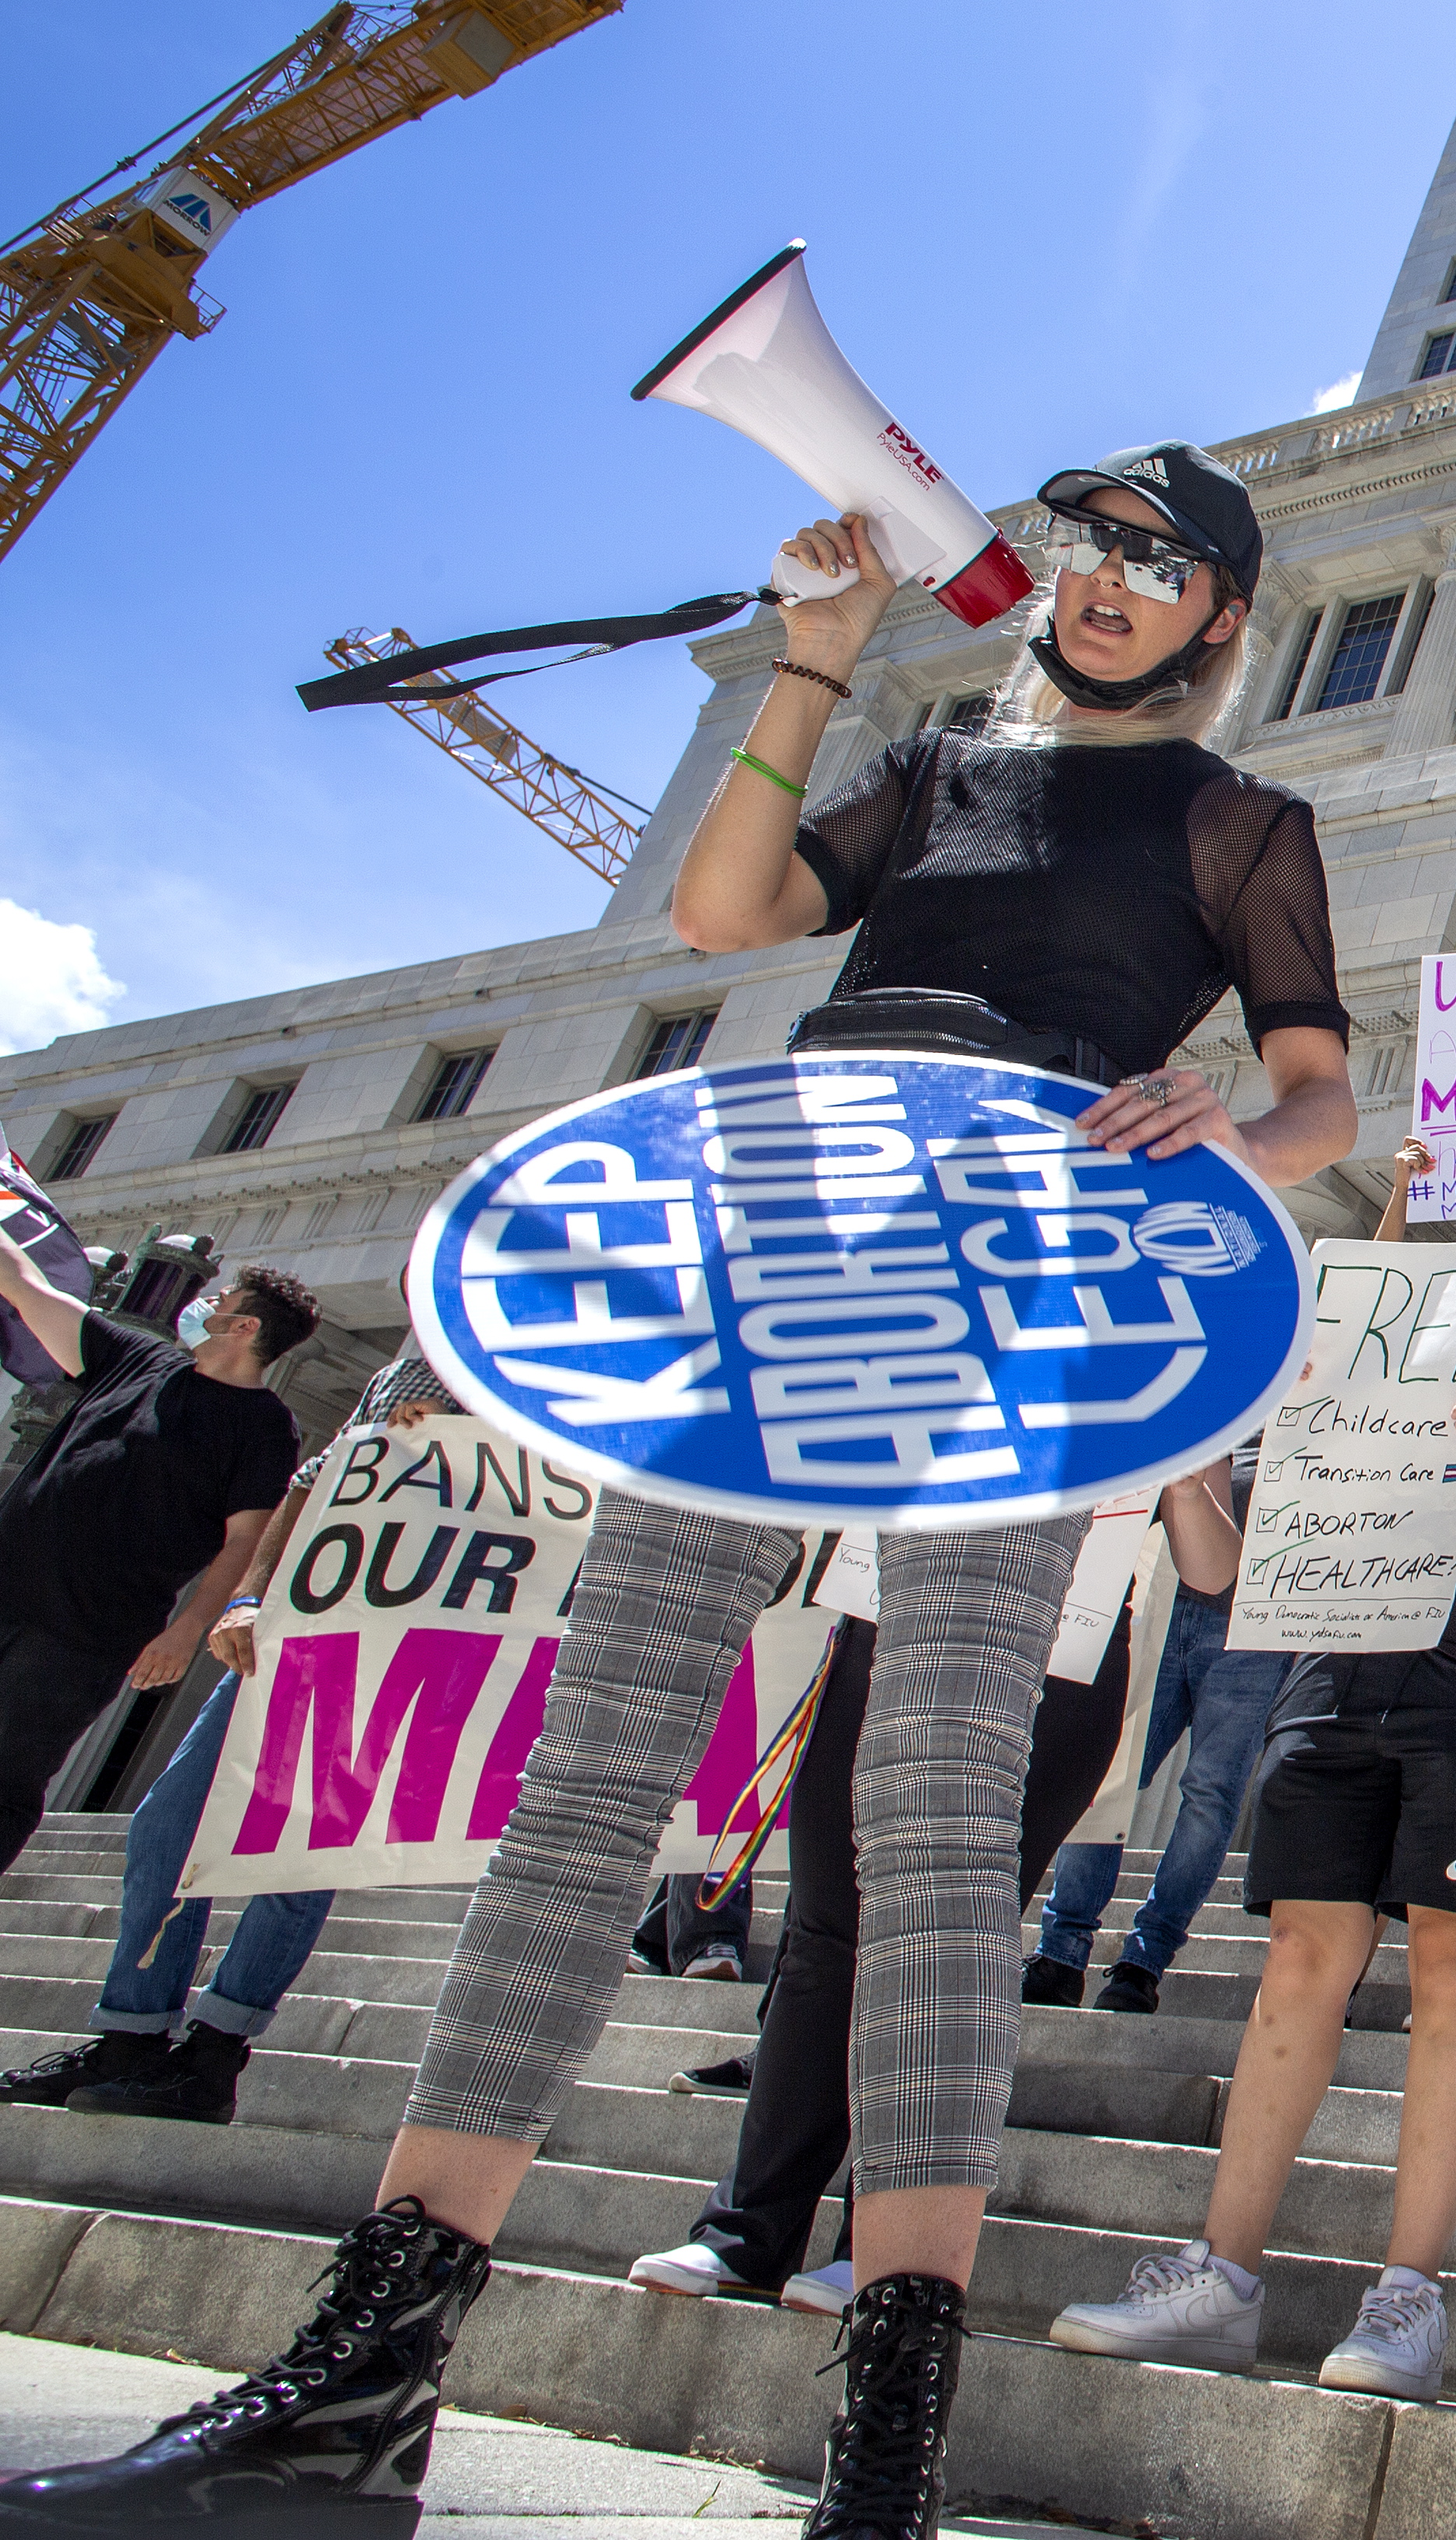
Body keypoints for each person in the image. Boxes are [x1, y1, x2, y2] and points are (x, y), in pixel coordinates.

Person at [2, 440, 1356, 2540]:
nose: (1108, 579)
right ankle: (367, 2377)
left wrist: (1232, 1131)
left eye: (1161, 560)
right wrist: (807, 668)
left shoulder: (1242, 819)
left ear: (1222, 616)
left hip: (1022, 1277)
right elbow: (728, 915)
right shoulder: (929, 761)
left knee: (930, 1813)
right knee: (594, 1763)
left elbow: (1319, 1088)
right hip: (795, 1233)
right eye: (1090, 545)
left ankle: (885, 2442)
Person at [1044, 1088, 1456, 2402]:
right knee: (1298, 1957)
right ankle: (1220, 2273)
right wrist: (1189, 1459)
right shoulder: (1390, 1314)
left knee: (1451, 1963)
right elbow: (1229, 1557)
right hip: (1336, 1660)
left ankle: (1408, 2296)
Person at [629, 1469, 1232, 2315]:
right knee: (825, 1934)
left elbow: (1214, 1572)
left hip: (1059, 1665)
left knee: (945, 1952)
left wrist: (1177, 1472)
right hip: (889, 1620)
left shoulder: (1170, 1374)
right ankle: (742, 2235)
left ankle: (875, 2250)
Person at [0, 1347, 445, 2126]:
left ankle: (214, 2055)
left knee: (305, 1848)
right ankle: (131, 2037)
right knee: (170, 1823)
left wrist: (462, 1449)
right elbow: (310, 1485)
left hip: (408, 1637)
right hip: (302, 1618)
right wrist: (246, 1598)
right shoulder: (411, 1360)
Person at [0, 1256, 312, 1880]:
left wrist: (189, 1626)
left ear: (242, 1325)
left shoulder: (264, 1429)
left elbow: (246, 1540)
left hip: (81, 1636)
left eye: (220, 1297)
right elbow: (25, 1286)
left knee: (5, 1775)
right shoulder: (135, 1358)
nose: (202, 1302)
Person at [1026, 1451, 1265, 2014]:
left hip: (1262, 1612)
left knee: (1210, 1795)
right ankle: (1060, 1951)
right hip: (1165, 1581)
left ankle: (1145, 1959)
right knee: (1110, 1770)